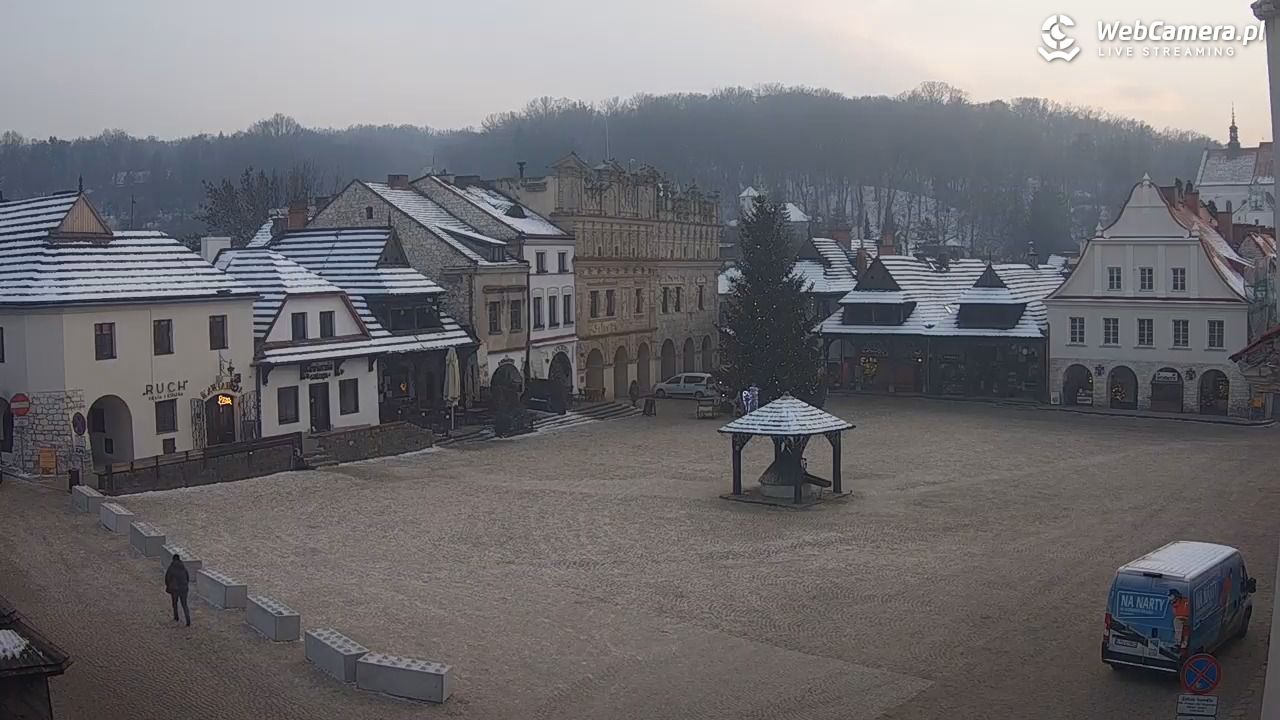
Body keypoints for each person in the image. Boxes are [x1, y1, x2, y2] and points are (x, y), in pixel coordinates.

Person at [165, 553, 191, 626]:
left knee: (174, 603)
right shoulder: (183, 568)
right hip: (184, 589)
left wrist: (168, 586)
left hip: (175, 589)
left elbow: (167, 578)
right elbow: (187, 577)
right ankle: (188, 620)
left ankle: (176, 617)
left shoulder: (171, 568)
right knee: (184, 605)